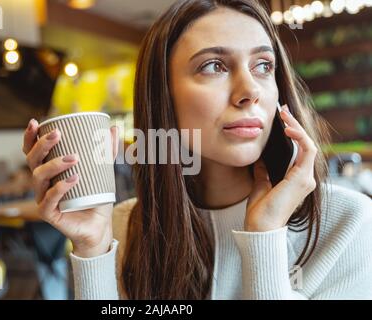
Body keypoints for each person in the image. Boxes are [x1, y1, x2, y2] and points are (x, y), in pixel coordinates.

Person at [22, 0, 372, 300]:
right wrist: (93, 247)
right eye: (214, 66)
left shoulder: (348, 223)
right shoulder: (123, 227)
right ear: (164, 97)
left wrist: (265, 237)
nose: (250, 91)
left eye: (263, 66)